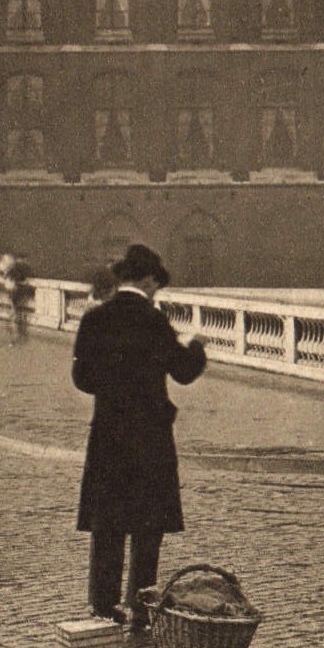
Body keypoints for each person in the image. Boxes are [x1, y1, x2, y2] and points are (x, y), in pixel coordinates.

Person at [72, 243, 207, 627]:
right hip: (149, 436)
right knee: (148, 525)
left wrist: (113, 389)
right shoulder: (154, 321)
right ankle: (141, 603)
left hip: (109, 433)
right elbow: (183, 371)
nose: (155, 292)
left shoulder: (95, 319)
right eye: (155, 286)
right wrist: (196, 345)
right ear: (147, 281)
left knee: (107, 522)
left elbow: (82, 379)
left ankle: (102, 604)